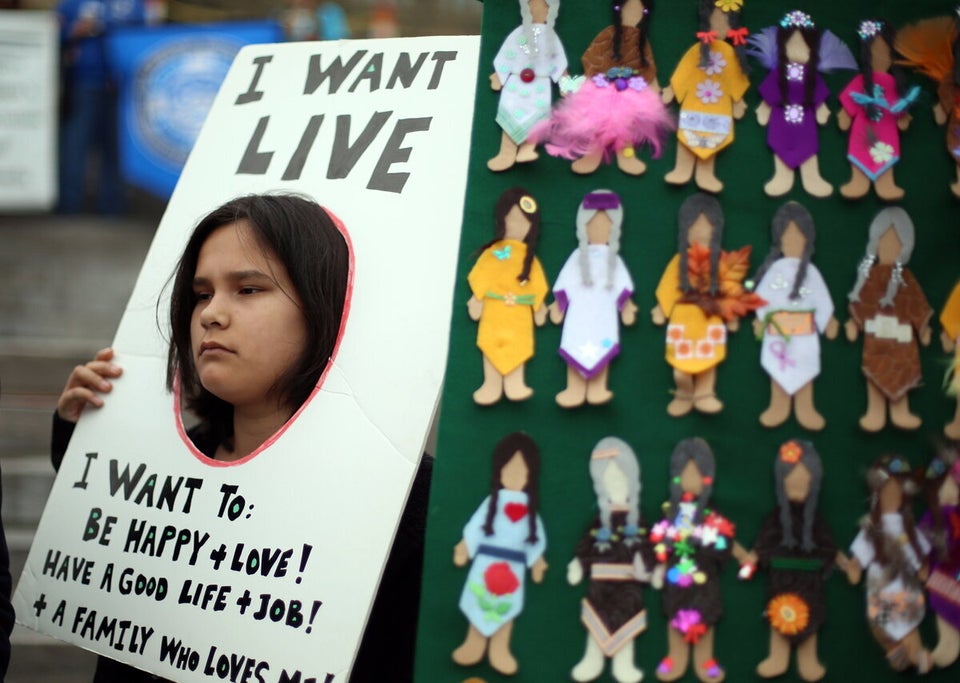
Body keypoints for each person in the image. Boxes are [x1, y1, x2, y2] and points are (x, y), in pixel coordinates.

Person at [52, 193, 432, 682]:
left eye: (248, 289)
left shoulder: (409, 506)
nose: (212, 314)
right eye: (202, 293)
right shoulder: (153, 464)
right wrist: (86, 435)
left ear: (325, 310)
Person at [56, 0, 148, 214]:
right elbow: (54, 34)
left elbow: (143, 36)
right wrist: (75, 31)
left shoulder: (134, 4)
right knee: (75, 145)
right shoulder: (71, 3)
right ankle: (69, 204)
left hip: (122, 85)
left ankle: (113, 204)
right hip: (83, 82)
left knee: (115, 148)